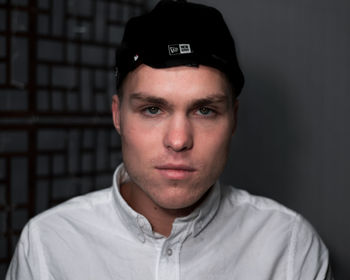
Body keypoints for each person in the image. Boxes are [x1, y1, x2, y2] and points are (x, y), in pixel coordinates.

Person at [6, 0, 333, 279]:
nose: (178, 140)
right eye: (152, 109)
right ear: (118, 115)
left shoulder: (290, 247)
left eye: (204, 110)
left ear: (233, 119)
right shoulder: (48, 245)